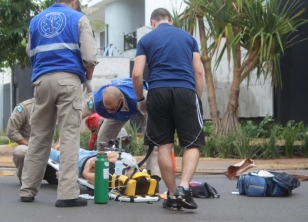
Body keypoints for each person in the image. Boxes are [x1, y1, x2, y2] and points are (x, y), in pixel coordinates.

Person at [20, 0, 97, 207]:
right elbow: (89, 56)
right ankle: (67, 194)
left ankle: (27, 189)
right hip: (69, 80)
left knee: (39, 136)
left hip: (41, 82)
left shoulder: (35, 21)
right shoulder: (79, 18)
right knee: (69, 135)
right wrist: (88, 79)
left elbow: (30, 51)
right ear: (73, 2)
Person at [132, 8, 205, 211]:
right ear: (170, 21)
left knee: (164, 145)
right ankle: (183, 188)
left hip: (157, 91)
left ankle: (172, 194)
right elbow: (198, 71)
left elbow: (137, 75)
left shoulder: (146, 40)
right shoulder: (188, 38)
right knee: (191, 143)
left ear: (152, 22)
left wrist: (140, 99)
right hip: (185, 90)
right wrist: (195, 98)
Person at [82, 78, 162, 180]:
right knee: (102, 140)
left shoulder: (144, 96)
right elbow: (75, 118)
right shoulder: (95, 100)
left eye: (112, 109)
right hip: (119, 112)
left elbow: (159, 115)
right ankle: (102, 172)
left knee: (151, 140)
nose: (109, 112)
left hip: (141, 105)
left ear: (121, 100)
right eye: (107, 109)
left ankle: (154, 177)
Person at [6, 98, 58, 186]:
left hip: (52, 147)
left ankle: (52, 174)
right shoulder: (24, 108)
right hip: (29, 145)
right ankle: (25, 176)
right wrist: (32, 145)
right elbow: (11, 131)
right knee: (20, 151)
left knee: (72, 149)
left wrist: (58, 144)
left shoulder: (59, 106)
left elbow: (68, 127)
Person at [49, 148, 137, 185]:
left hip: (80, 163)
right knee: (66, 149)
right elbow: (118, 153)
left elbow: (85, 173)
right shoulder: (130, 161)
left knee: (54, 154)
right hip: (94, 154)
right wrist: (106, 159)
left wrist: (94, 165)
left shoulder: (112, 179)